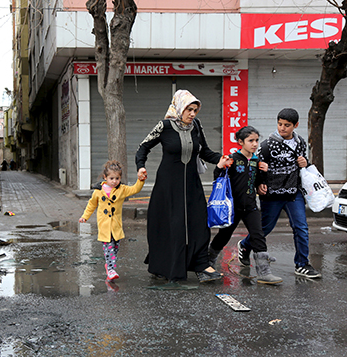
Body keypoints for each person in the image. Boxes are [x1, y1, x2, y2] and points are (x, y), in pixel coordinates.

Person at [135, 89, 230, 283]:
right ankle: (166, 265)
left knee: (199, 223)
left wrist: (223, 159)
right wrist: (141, 167)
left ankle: (202, 265)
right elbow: (143, 147)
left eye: (195, 110)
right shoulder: (164, 126)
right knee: (173, 226)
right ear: (179, 107)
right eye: (189, 109)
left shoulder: (196, 126)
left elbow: (205, 152)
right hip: (167, 186)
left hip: (192, 185)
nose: (192, 114)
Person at [237, 108, 321, 279]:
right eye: (280, 124)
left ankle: (302, 264)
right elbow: (256, 165)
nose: (282, 128)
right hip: (272, 195)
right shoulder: (268, 145)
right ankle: (245, 245)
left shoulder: (301, 143)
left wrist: (305, 162)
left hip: (293, 193)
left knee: (301, 228)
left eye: (287, 125)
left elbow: (302, 164)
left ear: (295, 125)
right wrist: (260, 183)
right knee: (264, 228)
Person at [208, 126, 282, 284]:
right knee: (224, 236)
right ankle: (208, 263)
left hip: (250, 206)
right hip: (233, 208)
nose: (255, 144)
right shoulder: (233, 159)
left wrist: (264, 178)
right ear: (240, 142)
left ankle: (264, 272)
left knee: (258, 236)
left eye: (256, 140)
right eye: (251, 141)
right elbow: (218, 177)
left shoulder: (256, 161)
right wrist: (220, 167)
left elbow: (258, 183)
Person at [79, 160, 146, 280]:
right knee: (108, 248)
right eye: (111, 178)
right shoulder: (98, 191)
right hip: (104, 226)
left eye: (117, 178)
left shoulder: (122, 189)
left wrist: (141, 181)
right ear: (105, 177)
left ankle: (109, 265)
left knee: (115, 248)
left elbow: (135, 189)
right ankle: (110, 269)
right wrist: (85, 216)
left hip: (116, 226)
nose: (114, 181)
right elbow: (91, 205)